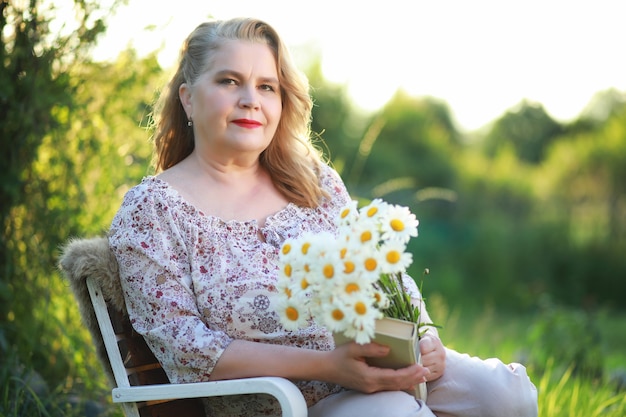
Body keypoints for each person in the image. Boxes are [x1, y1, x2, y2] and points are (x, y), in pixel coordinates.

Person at [108, 17, 538, 417]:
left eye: (266, 87)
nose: (249, 101)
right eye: (229, 81)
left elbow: (380, 268)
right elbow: (188, 351)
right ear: (188, 97)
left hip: (373, 365)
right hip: (283, 403)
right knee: (396, 412)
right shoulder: (153, 210)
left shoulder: (312, 180)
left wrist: (424, 334)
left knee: (508, 396)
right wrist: (332, 367)